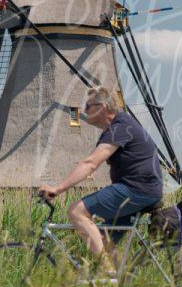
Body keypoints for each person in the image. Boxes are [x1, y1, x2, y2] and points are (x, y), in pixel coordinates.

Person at [39, 86, 163, 262]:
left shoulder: (121, 126)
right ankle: (118, 283)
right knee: (103, 240)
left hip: (136, 189)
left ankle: (107, 272)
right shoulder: (116, 127)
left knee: (76, 211)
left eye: (89, 106)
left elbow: (91, 164)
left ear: (102, 107)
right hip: (141, 190)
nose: (84, 110)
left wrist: (57, 189)